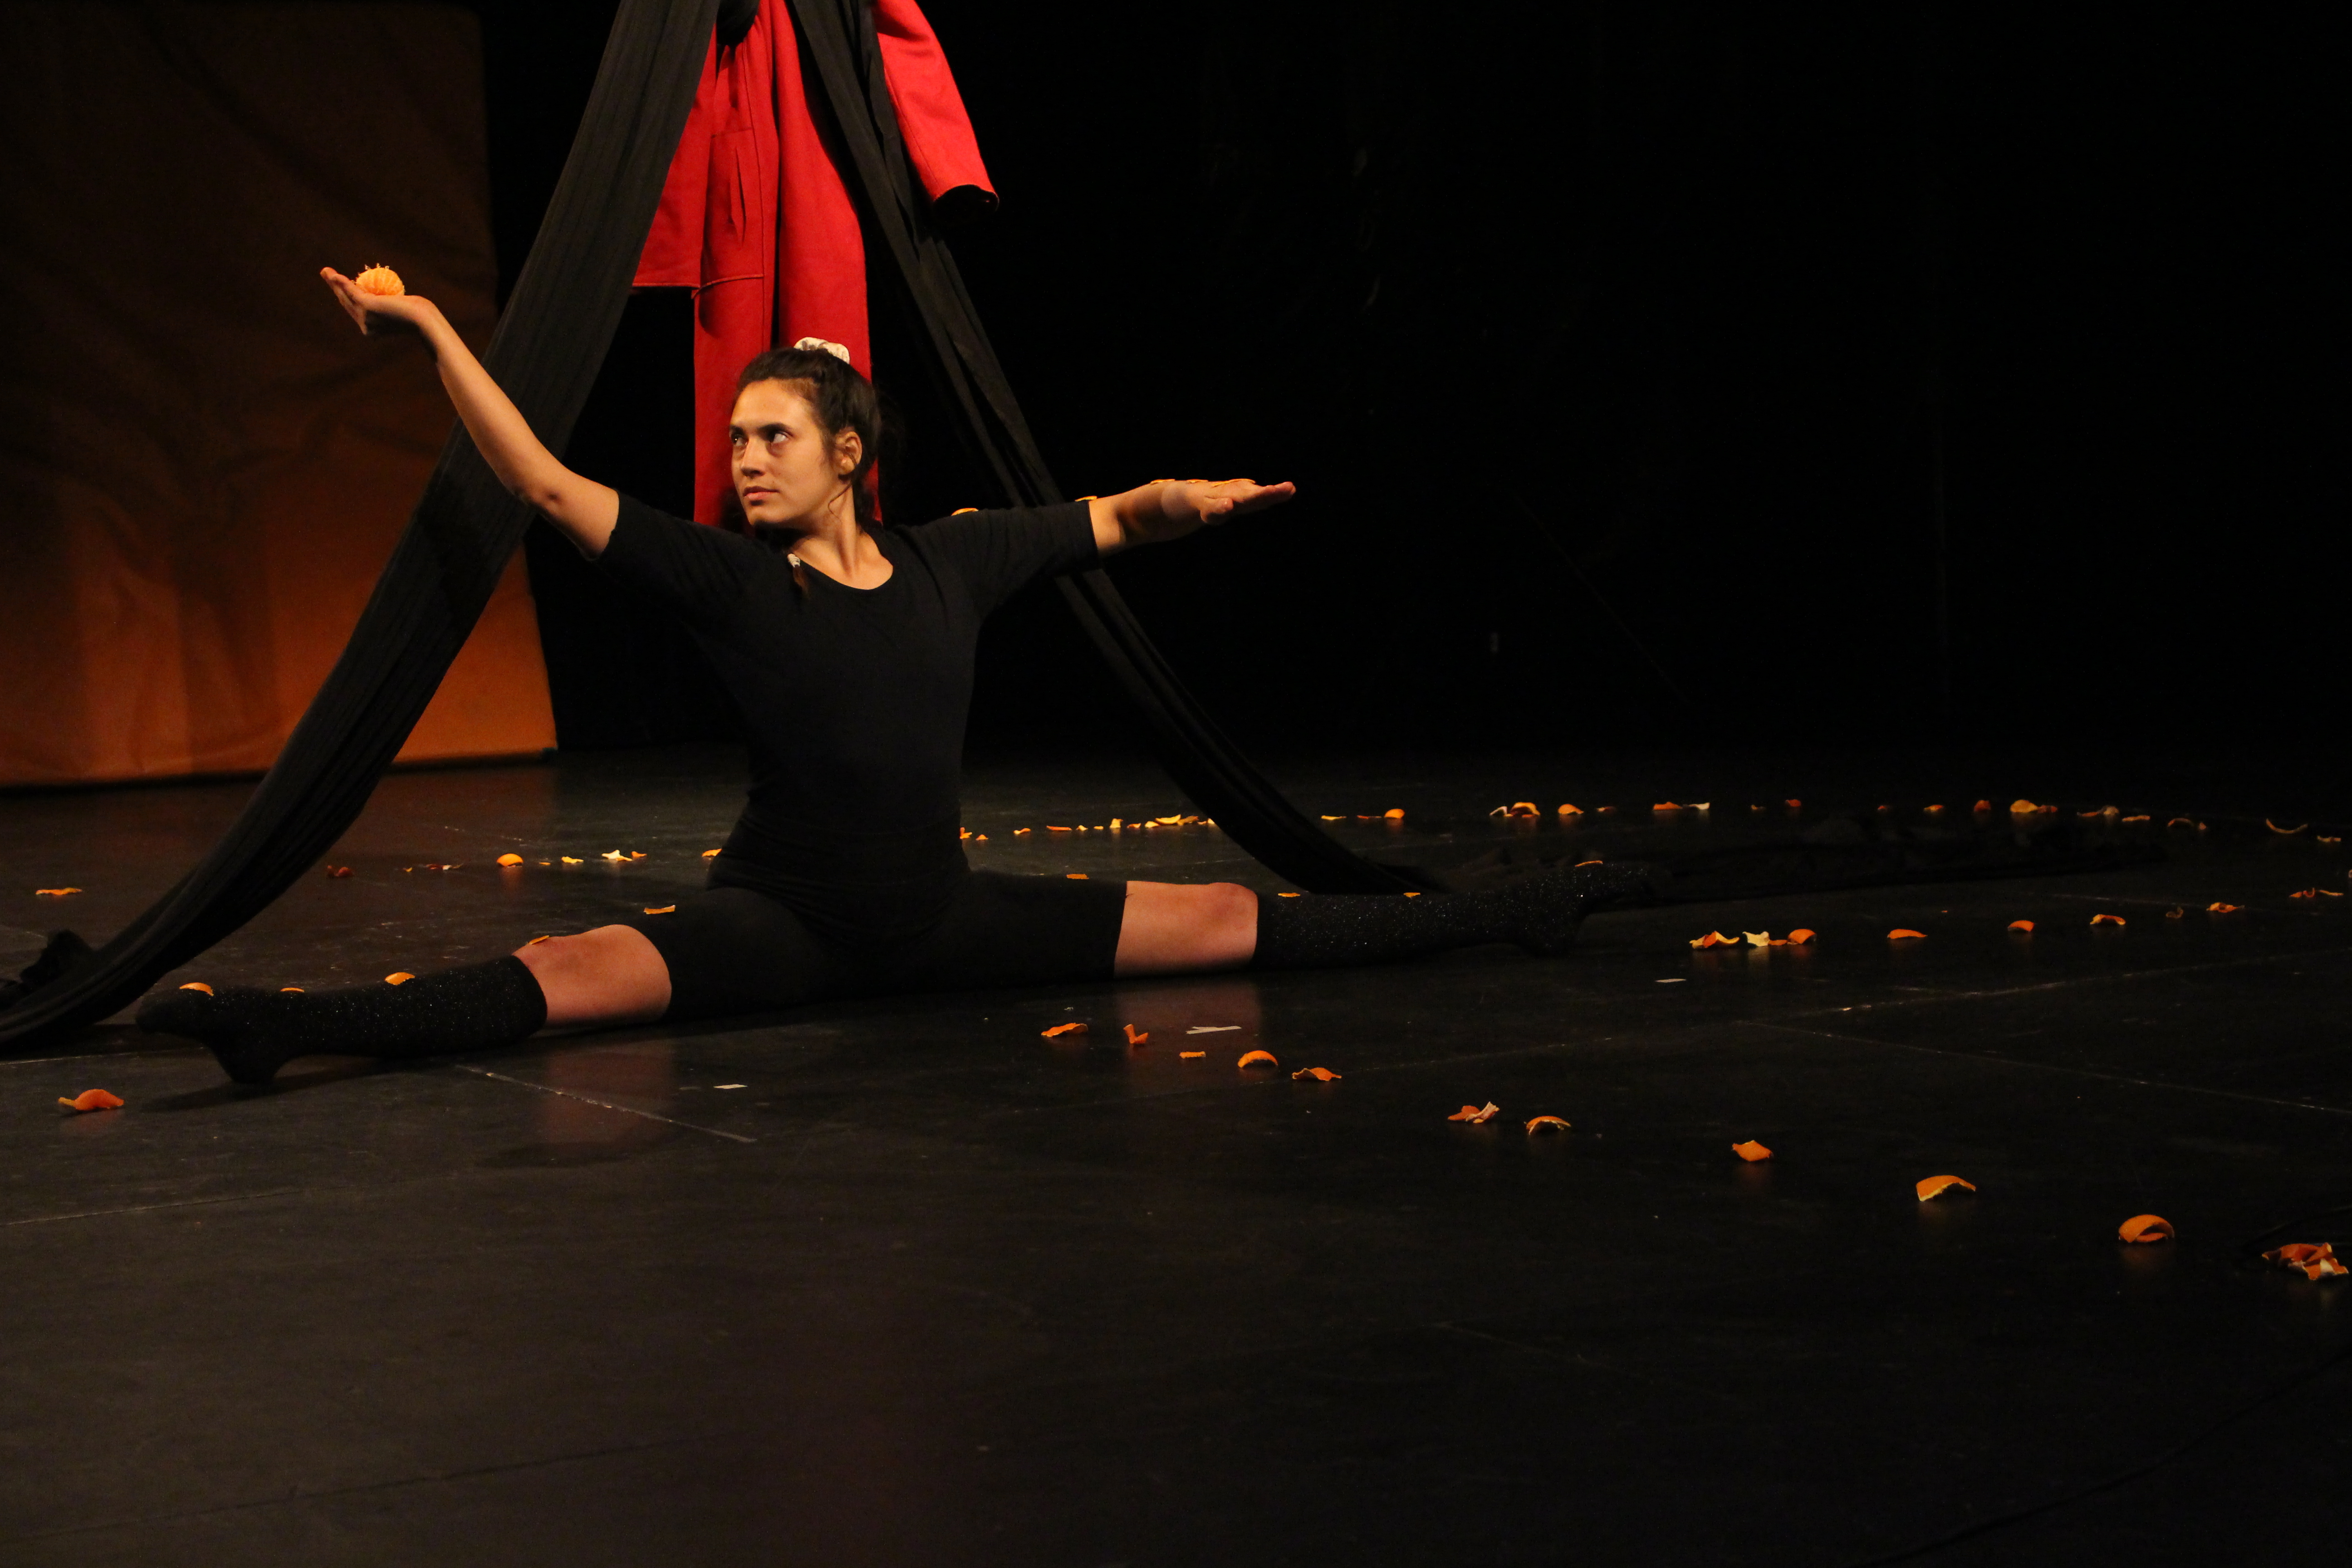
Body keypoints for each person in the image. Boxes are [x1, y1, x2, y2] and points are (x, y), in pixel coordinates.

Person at [137, 269, 1651, 1085]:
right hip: (781, 923)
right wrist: (426, 331)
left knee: (1220, 920)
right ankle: (291, 1027)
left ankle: (1511, 909)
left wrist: (1187, 503)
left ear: (848, 455)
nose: (743, 459)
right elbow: (537, 479)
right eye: (736, 439)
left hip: (944, 920)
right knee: (575, 974)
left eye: (771, 437)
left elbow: (1110, 520)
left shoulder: (952, 562)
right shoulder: (728, 577)